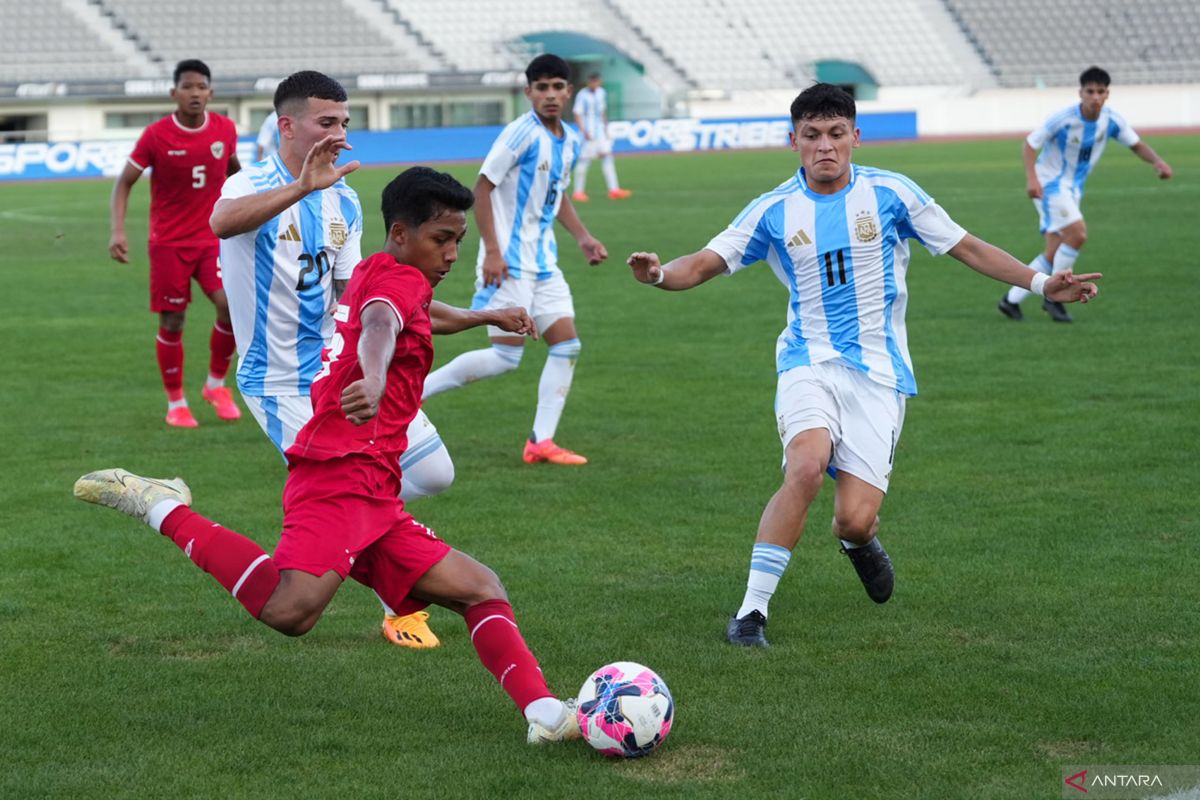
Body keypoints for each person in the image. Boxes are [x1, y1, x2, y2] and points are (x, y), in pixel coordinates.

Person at [74, 166, 579, 745]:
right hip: (338, 472)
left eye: (459, 240)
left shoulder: (380, 270)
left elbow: (410, 313)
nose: (452, 253)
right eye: (442, 239)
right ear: (399, 232)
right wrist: (373, 372)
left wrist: (484, 316)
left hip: (375, 487)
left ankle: (544, 713)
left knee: (480, 587)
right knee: (292, 611)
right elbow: (382, 326)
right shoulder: (394, 286)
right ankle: (163, 506)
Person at [626, 83, 1101, 648]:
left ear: (855, 135)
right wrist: (657, 274)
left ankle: (856, 540)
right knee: (804, 466)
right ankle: (751, 613)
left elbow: (967, 247)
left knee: (854, 517)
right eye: (811, 136)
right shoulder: (775, 209)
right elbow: (703, 263)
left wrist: (1044, 281)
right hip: (808, 360)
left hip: (879, 374)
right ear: (793, 140)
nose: (824, 146)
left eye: (834, 134)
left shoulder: (892, 194)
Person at [211, 71, 535, 650]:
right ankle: (395, 601)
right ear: (287, 125)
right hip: (278, 381)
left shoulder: (345, 198)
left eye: (345, 123)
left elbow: (374, 300)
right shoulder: (251, 184)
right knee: (355, 492)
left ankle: (356, 544)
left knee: (433, 473)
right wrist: (301, 189)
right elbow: (222, 224)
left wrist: (484, 317)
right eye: (327, 122)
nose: (341, 135)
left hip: (343, 368)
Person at [423, 54, 608, 466]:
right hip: (509, 261)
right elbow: (482, 188)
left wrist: (583, 237)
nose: (550, 95)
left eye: (557, 86)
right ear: (529, 93)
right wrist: (492, 250)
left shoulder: (571, 139)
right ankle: (412, 397)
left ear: (569, 91)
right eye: (541, 87)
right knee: (505, 357)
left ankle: (540, 441)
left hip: (544, 262)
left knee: (567, 345)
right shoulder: (520, 134)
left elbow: (554, 197)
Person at [108, 59, 242, 427]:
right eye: (188, 86)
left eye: (201, 86)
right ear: (174, 93)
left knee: (230, 307)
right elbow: (124, 184)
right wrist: (118, 231)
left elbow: (236, 174)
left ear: (210, 93)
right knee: (173, 319)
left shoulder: (224, 129)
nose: (195, 92)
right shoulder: (156, 135)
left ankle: (216, 385)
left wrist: (250, 211)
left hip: (212, 239)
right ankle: (176, 403)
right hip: (168, 242)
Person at [998, 65, 1171, 323]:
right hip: (1050, 184)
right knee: (1077, 234)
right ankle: (1053, 299)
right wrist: (1032, 178)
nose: (1095, 96)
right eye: (1090, 91)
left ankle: (1010, 301)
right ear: (1080, 92)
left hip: (1072, 188)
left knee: (1054, 250)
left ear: (1107, 94)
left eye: (1100, 91)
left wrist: (1158, 162)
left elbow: (1136, 144)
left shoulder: (1111, 119)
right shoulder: (1063, 118)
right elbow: (1030, 144)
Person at [571, 73, 631, 202]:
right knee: (584, 160)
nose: (594, 84)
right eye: (592, 81)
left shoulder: (601, 93)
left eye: (596, 81)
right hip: (589, 132)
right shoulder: (582, 95)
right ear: (589, 82)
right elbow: (577, 113)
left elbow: (602, 111)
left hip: (600, 132)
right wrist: (583, 130)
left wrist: (606, 128)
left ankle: (614, 190)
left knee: (608, 157)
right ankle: (578, 192)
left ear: (599, 82)